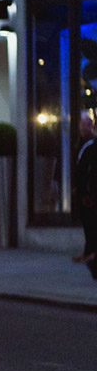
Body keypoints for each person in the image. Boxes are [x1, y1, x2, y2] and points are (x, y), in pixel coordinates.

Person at [73, 114, 97, 277]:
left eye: (87, 125)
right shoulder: (82, 144)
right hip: (85, 191)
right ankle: (89, 253)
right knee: (87, 222)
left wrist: (87, 191)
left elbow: (90, 171)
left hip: (89, 192)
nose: (84, 128)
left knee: (90, 222)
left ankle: (91, 254)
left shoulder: (91, 145)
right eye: (82, 124)